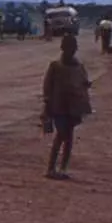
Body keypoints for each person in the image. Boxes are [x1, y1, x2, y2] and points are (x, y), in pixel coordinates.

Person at [42, 33, 93, 179]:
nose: (70, 50)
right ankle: (52, 168)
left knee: (68, 136)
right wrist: (47, 104)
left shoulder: (78, 67)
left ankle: (62, 168)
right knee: (62, 135)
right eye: (68, 47)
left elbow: (84, 83)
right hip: (58, 106)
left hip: (73, 107)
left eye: (72, 47)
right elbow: (47, 87)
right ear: (63, 48)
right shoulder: (55, 66)